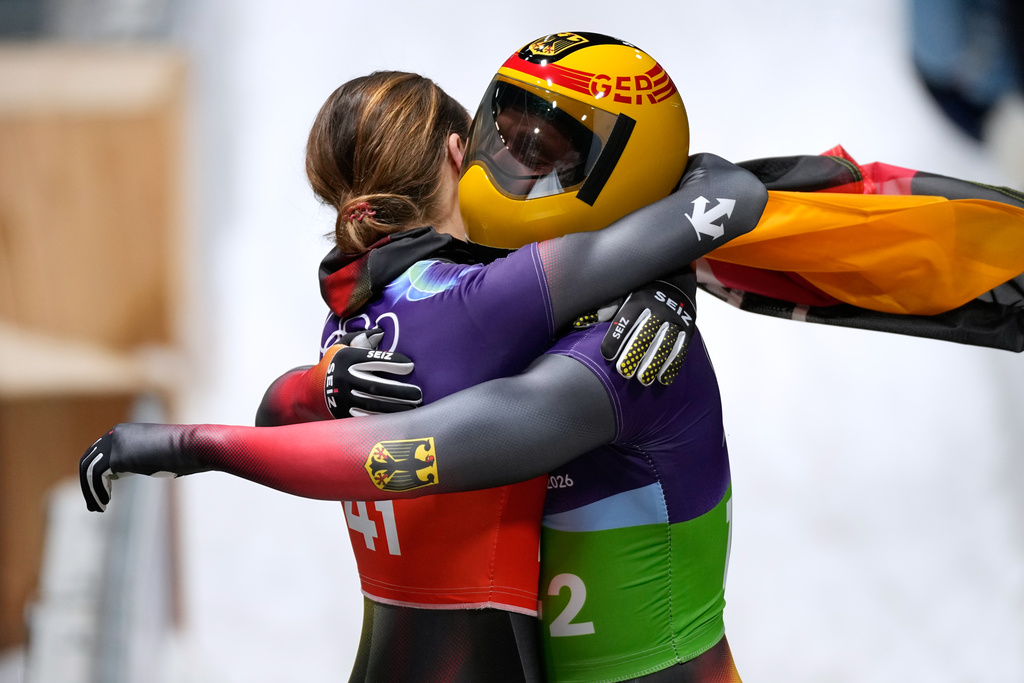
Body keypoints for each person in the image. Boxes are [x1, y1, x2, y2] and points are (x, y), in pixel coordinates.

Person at [82, 33, 768, 682]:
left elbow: (276, 413)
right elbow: (728, 196)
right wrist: (669, 279)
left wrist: (312, 388)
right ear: (454, 155)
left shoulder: (346, 315)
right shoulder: (489, 298)